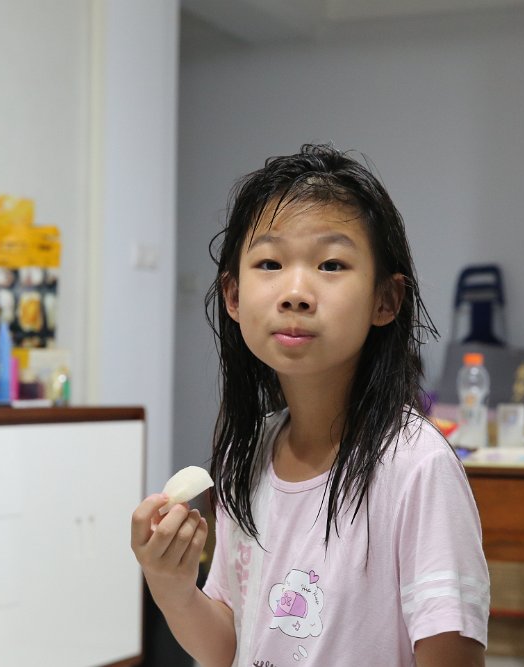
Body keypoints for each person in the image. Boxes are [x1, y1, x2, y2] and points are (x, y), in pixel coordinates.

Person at [131, 144, 490, 666]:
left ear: (386, 300)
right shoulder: (245, 455)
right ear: (233, 297)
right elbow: (228, 646)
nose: (295, 292)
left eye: (331, 264)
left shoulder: (417, 467)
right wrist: (170, 583)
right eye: (270, 263)